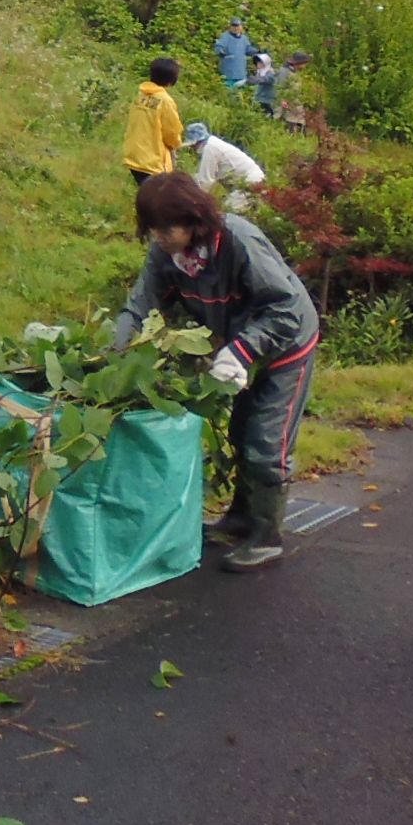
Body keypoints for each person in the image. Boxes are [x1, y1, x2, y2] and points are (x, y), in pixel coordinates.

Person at [112, 173, 319, 572]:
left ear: (193, 220)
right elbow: (138, 306)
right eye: (152, 229)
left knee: (265, 440)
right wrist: (113, 353)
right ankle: (241, 517)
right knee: (240, 430)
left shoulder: (239, 242)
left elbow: (286, 309)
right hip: (236, 346)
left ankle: (269, 536)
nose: (159, 237)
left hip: (286, 343)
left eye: (166, 228)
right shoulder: (168, 255)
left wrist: (240, 351)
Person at [119, 57, 185, 188]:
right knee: (158, 199)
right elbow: (171, 132)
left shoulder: (140, 96)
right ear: (172, 80)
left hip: (134, 155)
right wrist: (176, 145)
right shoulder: (165, 101)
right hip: (152, 160)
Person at [179, 121, 266, 211]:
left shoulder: (210, 149)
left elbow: (205, 182)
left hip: (249, 182)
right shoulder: (214, 144)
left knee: (228, 212)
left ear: (196, 142)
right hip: (256, 180)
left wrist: (192, 202)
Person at [214, 18, 257, 95]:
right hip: (228, 72)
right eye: (233, 26)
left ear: (241, 27)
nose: (235, 28)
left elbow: (248, 50)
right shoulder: (225, 36)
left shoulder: (244, 38)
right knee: (229, 92)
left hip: (241, 72)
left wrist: (257, 51)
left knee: (240, 94)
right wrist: (220, 51)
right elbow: (218, 46)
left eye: (237, 26)